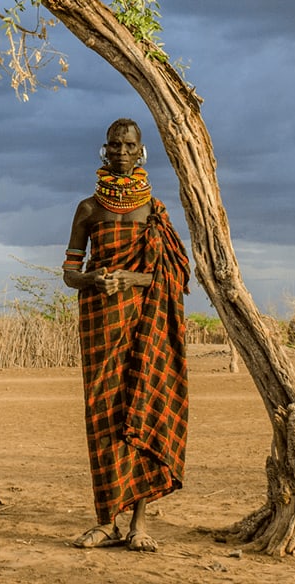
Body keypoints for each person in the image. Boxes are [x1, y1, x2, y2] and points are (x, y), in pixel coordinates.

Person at [60, 117, 190, 553]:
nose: (120, 151)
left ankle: (138, 524)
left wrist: (128, 279)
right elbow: (70, 274)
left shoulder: (154, 211)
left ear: (140, 152)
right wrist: (96, 279)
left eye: (128, 145)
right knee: (103, 418)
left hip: (142, 324)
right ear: (104, 149)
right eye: (113, 144)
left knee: (141, 411)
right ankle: (105, 521)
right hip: (100, 324)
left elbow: (169, 273)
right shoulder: (88, 209)